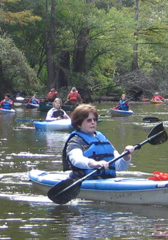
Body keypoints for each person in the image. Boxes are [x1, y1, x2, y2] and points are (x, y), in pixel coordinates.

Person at [62, 104, 135, 179]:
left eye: (94, 119)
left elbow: (120, 167)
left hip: (106, 181)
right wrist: (94, 163)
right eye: (89, 120)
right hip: (83, 180)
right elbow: (76, 160)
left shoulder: (101, 138)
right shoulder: (75, 140)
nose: (93, 122)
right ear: (79, 124)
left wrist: (126, 156)